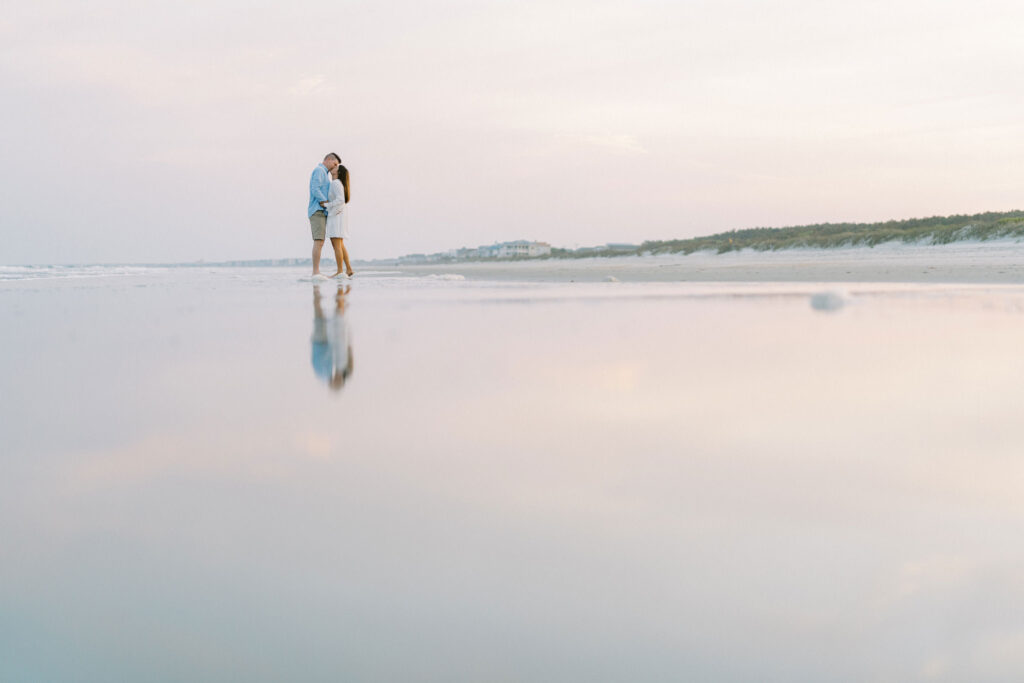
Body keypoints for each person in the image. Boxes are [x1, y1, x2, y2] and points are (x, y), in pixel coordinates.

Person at [310, 284, 354, 391]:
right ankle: (337, 291)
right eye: (338, 382)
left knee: (319, 314)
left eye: (336, 382)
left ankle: (317, 290)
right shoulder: (340, 370)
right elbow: (342, 352)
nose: (337, 380)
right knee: (330, 315)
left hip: (320, 342)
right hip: (323, 343)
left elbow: (327, 355)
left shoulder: (324, 374)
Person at [308, 153, 341, 275]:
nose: (335, 167)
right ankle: (315, 272)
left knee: (320, 241)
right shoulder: (319, 171)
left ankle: (317, 271)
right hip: (317, 210)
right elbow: (315, 188)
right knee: (319, 241)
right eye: (335, 164)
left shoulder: (324, 174)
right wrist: (324, 201)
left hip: (323, 211)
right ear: (328, 159)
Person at [325, 164, 354, 278]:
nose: (333, 167)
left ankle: (339, 271)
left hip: (336, 215)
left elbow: (340, 199)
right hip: (339, 214)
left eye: (336, 167)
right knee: (340, 244)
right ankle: (349, 269)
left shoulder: (336, 183)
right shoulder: (338, 183)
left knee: (336, 243)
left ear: (339, 172)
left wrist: (327, 204)